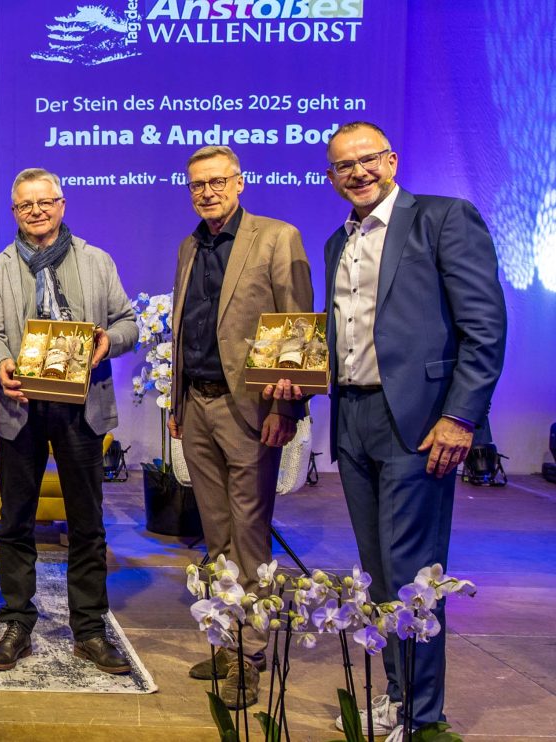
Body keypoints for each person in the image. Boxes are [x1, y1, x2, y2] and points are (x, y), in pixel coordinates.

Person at [268, 121, 506, 736]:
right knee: (377, 570)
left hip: (419, 422)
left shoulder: (443, 219)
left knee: (415, 574)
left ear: (392, 160)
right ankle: (399, 698)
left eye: (367, 159)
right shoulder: (336, 241)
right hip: (354, 419)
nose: (358, 173)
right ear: (331, 177)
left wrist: (460, 416)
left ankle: (423, 717)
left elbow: (484, 328)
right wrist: (296, 380)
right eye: (343, 166)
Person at [0, 167, 138, 674]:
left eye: (46, 202)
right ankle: (17, 623)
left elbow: (127, 322)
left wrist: (109, 341)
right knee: (14, 522)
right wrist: (1, 362)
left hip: (82, 410)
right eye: (26, 205)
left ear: (62, 205)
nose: (37, 211)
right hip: (21, 409)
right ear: (14, 212)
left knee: (87, 524)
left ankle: (89, 629)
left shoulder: (96, 261)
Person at [167, 145, 312, 708]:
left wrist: (286, 410)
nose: (207, 192)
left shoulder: (276, 237)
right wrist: (177, 403)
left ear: (239, 182)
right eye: (197, 185)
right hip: (197, 405)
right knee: (217, 536)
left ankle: (252, 658)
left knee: (250, 536)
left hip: (249, 408)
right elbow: (185, 329)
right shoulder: (189, 244)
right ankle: (228, 644)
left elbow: (296, 328)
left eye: (217, 182)